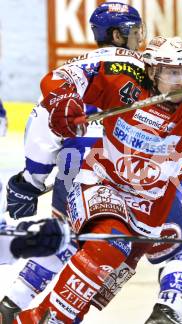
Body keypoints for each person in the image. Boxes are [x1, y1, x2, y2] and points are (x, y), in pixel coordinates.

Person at [15, 34, 182, 323]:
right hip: (101, 182)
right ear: (151, 71)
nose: (180, 80)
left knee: (99, 281)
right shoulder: (123, 80)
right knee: (110, 243)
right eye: (171, 72)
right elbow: (64, 76)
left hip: (150, 209)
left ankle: (41, 317)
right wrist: (62, 97)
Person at [0, 2, 145, 322]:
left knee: (74, 240)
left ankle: (14, 304)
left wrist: (31, 179)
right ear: (118, 34)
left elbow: (43, 119)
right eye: (135, 32)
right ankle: (51, 314)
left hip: (75, 163)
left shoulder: (80, 65)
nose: (139, 38)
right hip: (125, 174)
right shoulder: (149, 70)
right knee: (112, 250)